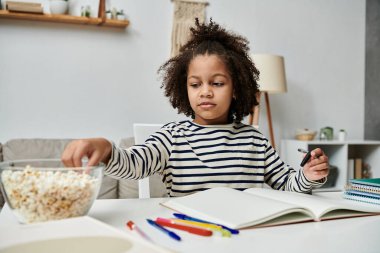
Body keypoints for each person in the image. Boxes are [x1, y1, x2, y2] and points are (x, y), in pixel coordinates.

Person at [62, 19, 329, 197]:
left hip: (243, 238)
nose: (205, 91)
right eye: (195, 84)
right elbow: (135, 165)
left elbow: (286, 183)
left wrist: (308, 175)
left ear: (236, 88)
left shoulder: (254, 140)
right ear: (183, 88)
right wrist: (106, 149)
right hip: (187, 236)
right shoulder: (171, 138)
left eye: (217, 82)